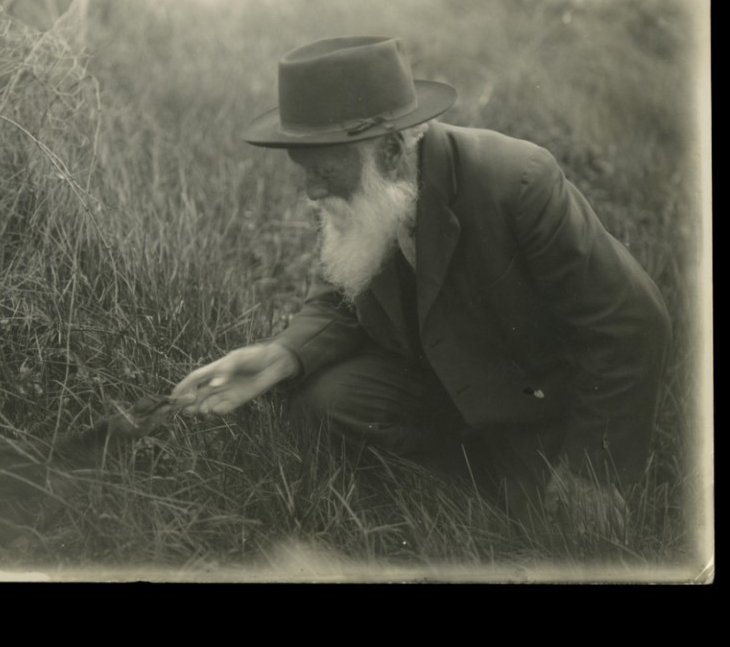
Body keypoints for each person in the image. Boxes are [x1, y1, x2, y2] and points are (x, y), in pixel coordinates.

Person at [171, 35, 671, 533]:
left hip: (536, 416)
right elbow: (341, 299)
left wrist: (593, 474)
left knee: (556, 538)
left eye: (322, 172)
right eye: (305, 172)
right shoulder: (361, 189)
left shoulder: (518, 182)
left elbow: (632, 322)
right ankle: (457, 494)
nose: (311, 191)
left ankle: (503, 493)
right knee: (320, 400)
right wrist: (279, 356)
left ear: (390, 151)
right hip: (441, 392)